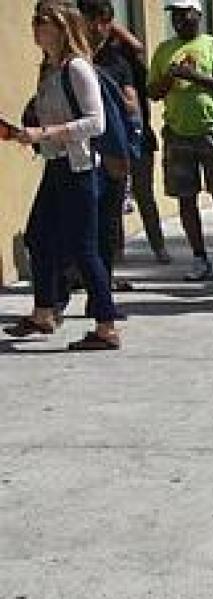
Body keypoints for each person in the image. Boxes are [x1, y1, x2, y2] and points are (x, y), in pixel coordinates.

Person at [3, 2, 125, 350]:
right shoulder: (51, 69)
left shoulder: (77, 69)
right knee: (38, 237)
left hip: (79, 168)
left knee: (83, 248)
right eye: (34, 21)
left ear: (61, 28)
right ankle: (44, 311)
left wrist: (45, 133)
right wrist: (29, 133)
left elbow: (95, 122)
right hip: (58, 164)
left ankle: (106, 325)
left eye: (43, 22)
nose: (36, 27)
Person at [148, 0, 213, 283]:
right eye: (174, 15)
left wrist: (196, 77)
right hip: (177, 133)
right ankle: (199, 258)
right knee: (185, 199)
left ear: (198, 15)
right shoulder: (164, 50)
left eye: (183, 13)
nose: (178, 19)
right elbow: (153, 91)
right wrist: (170, 78)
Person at [75, 0, 141, 295]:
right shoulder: (72, 58)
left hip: (110, 150)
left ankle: (103, 284)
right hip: (76, 150)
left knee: (108, 222)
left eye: (94, 20)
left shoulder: (116, 61)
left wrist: (98, 87)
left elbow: (131, 104)